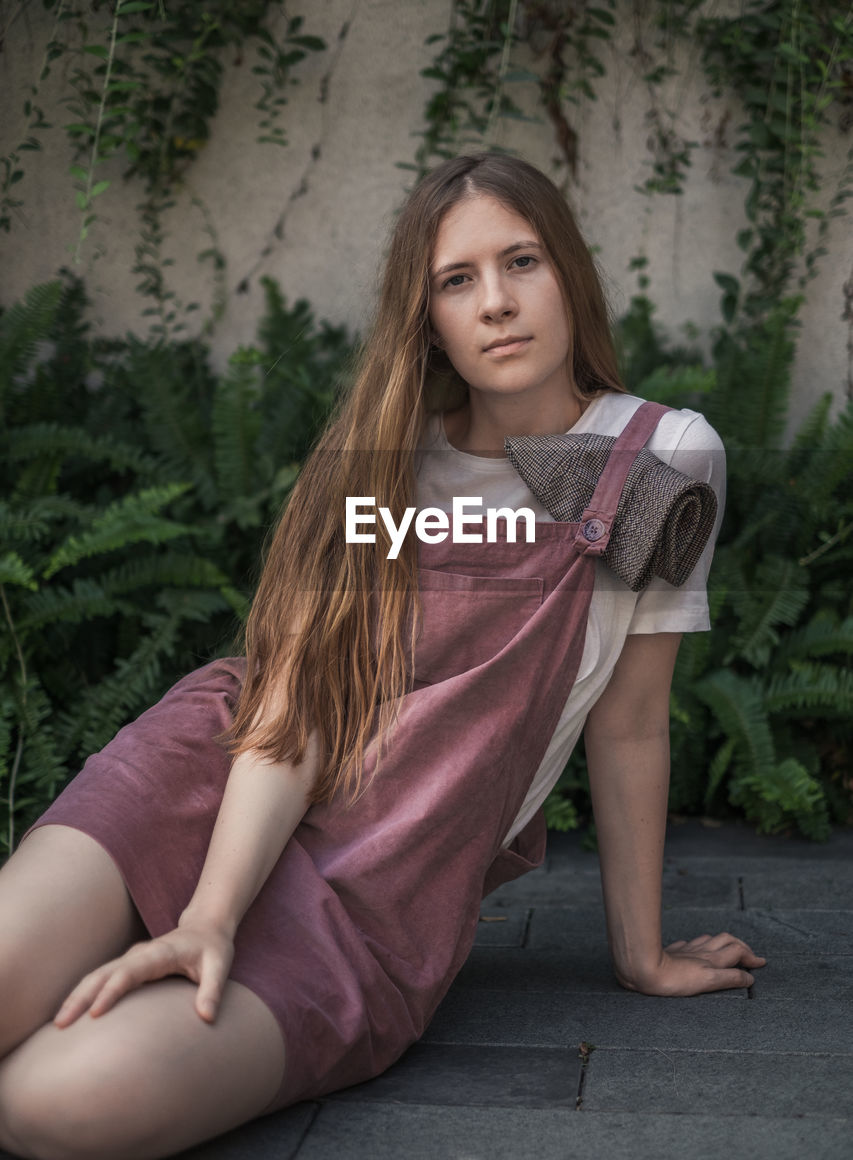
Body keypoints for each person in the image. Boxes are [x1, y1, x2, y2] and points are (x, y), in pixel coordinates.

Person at [0, 153, 766, 1160]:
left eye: (521, 261)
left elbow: (627, 720)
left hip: (381, 892)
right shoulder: (385, 464)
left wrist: (641, 954)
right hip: (216, 775)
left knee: (50, 1104)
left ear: (567, 272)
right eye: (457, 280)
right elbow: (301, 703)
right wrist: (210, 913)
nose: (495, 302)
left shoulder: (659, 461)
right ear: (428, 315)